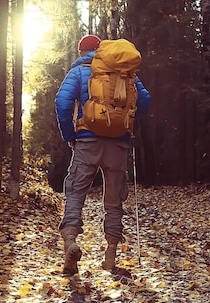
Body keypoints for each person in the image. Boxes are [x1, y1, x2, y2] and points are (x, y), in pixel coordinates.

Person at [55, 34, 150, 276]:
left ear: (81, 52)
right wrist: (123, 118)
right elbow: (145, 101)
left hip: (87, 141)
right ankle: (110, 258)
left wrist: (70, 134)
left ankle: (71, 245)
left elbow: (62, 102)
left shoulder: (78, 72)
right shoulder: (124, 73)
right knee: (114, 201)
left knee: (76, 192)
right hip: (118, 145)